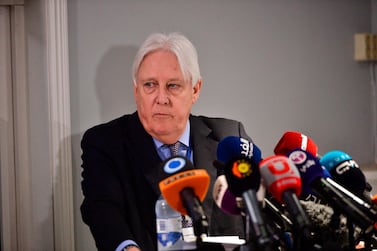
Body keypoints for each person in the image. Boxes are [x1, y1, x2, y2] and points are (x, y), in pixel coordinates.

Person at [80, 32, 252, 251]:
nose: (161, 98)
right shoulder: (105, 143)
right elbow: (102, 209)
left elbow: (258, 205)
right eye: (150, 85)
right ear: (136, 91)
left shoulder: (229, 137)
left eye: (173, 85)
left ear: (195, 90)